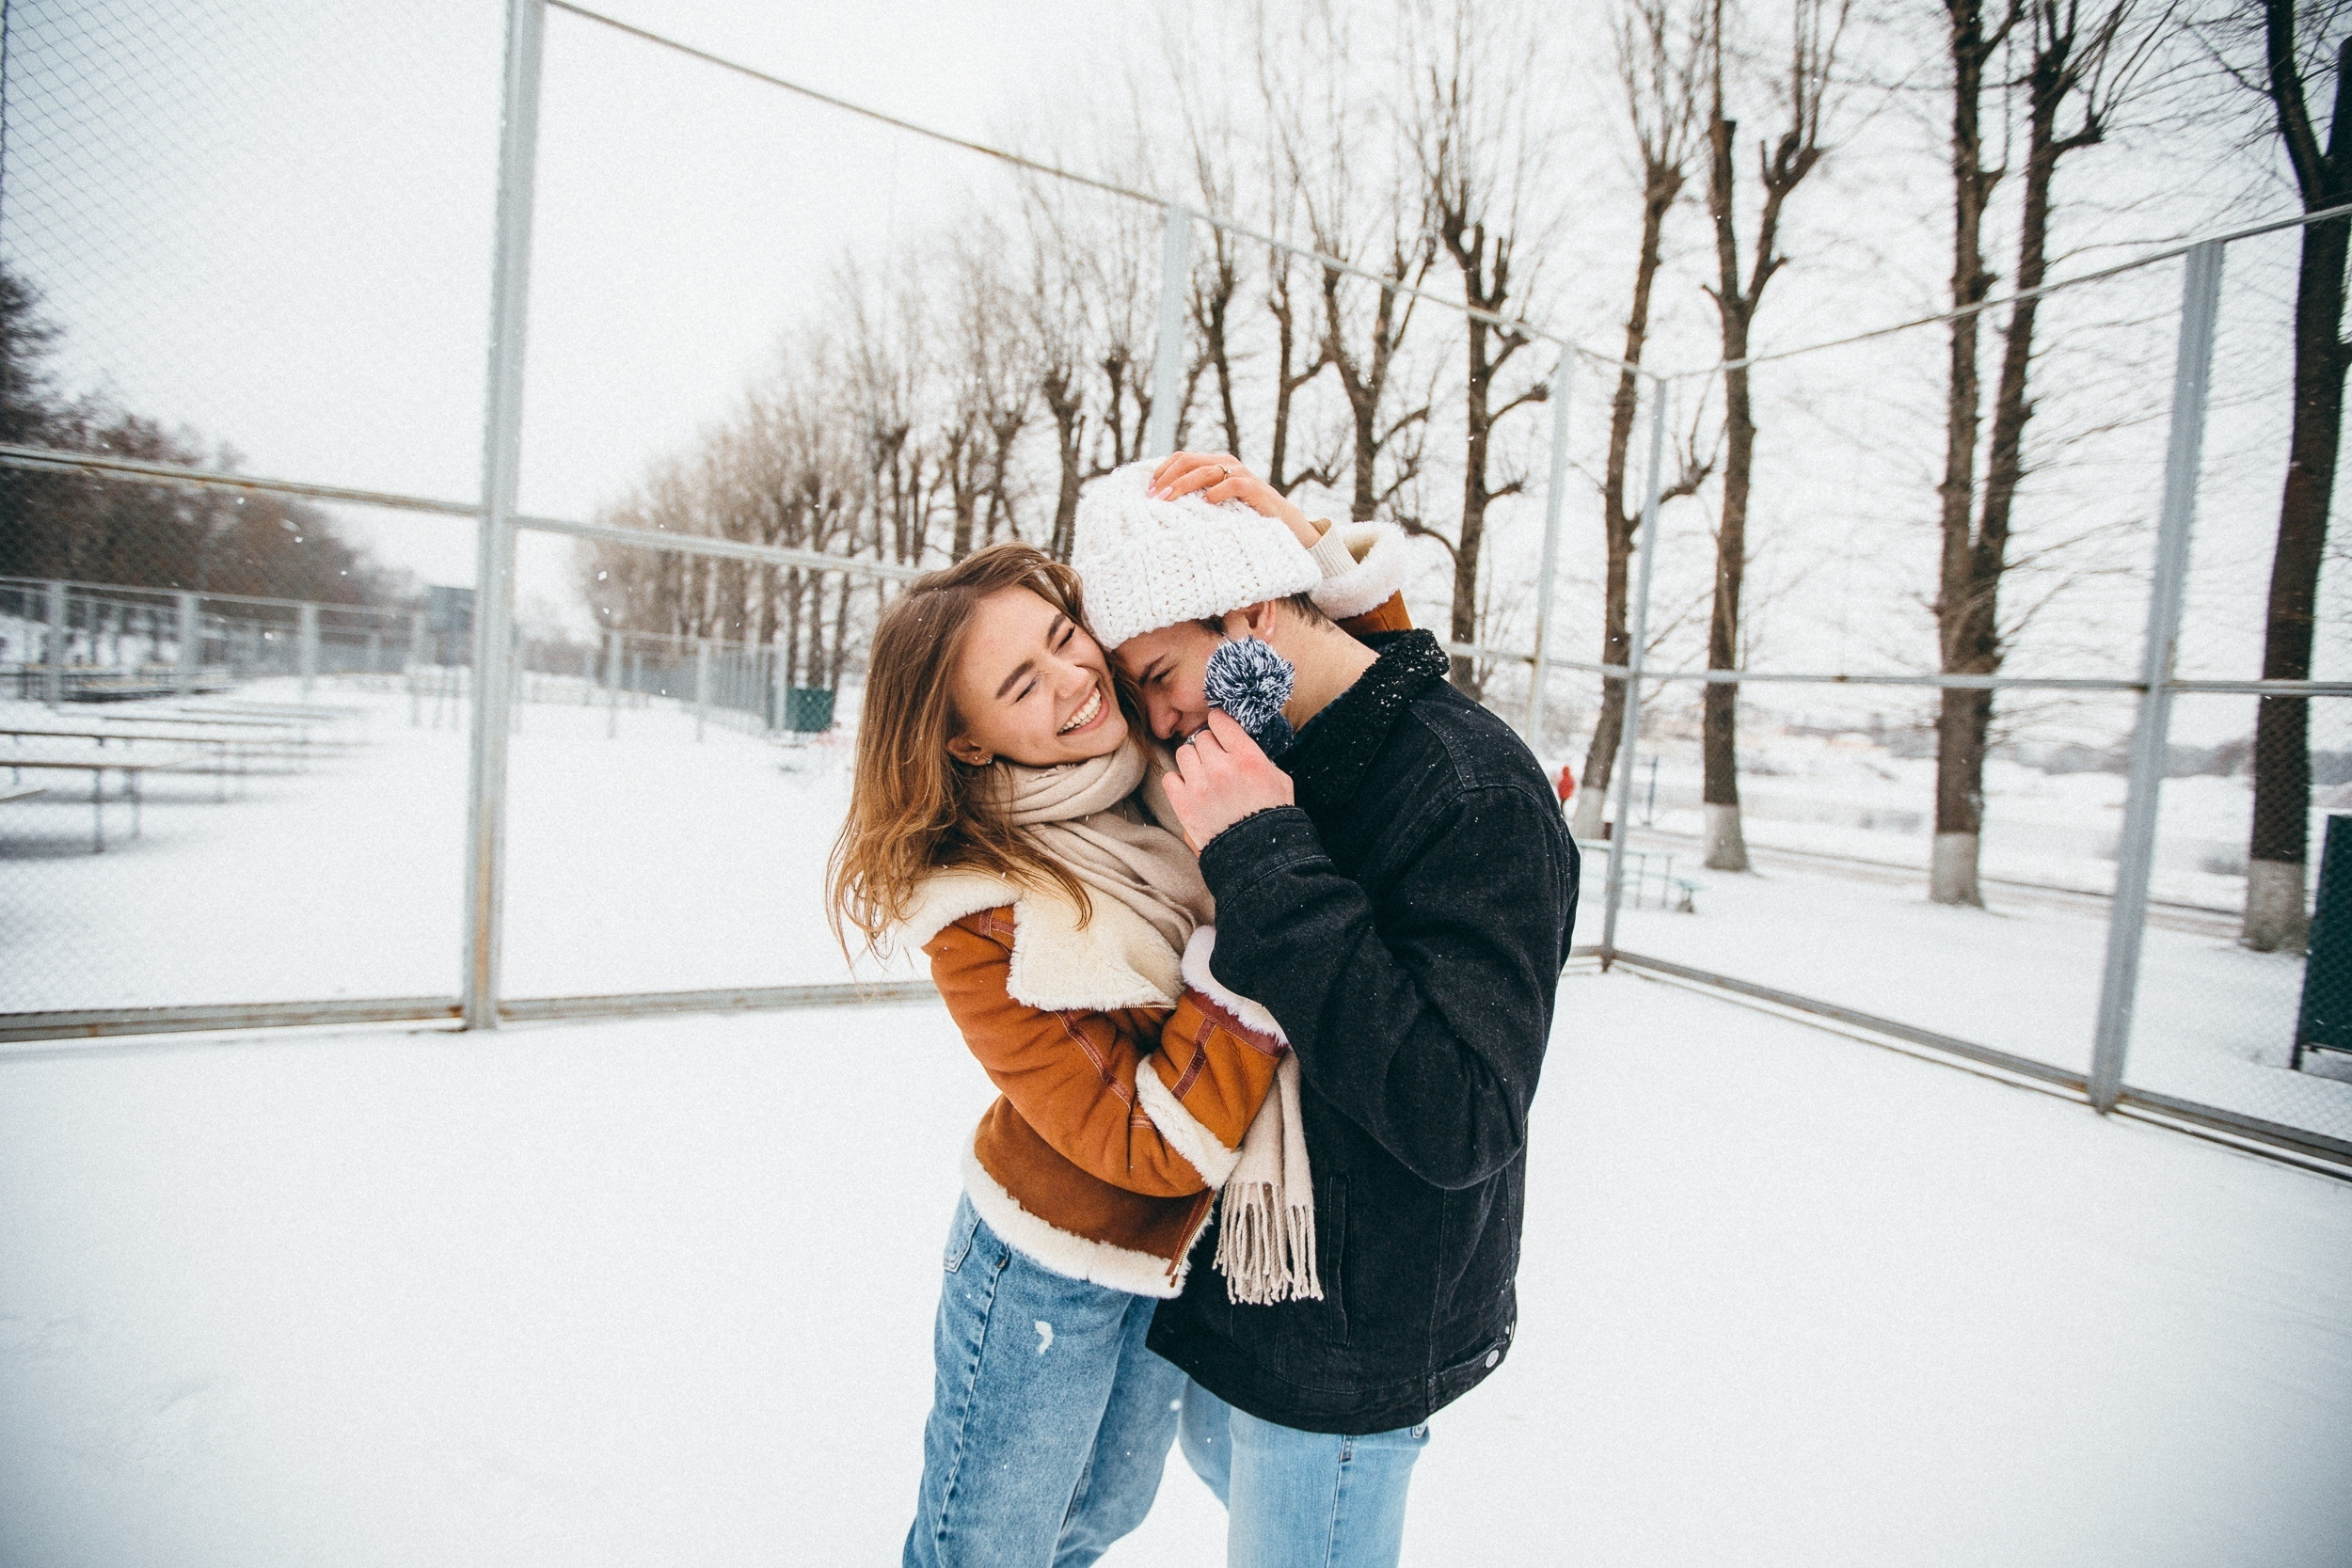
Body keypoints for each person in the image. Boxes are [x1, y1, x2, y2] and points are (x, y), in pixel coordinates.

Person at [827, 518, 1407, 1567]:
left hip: (1175, 1257)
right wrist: (1257, 922)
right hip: (1045, 1272)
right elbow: (1147, 1144)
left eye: (1061, 635)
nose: (1071, 678)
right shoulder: (981, 910)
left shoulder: (1164, 756)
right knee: (992, 1549)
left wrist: (1310, 548)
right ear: (967, 742)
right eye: (1019, 684)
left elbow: (1340, 700)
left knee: (1094, 1519)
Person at [1071, 451, 1580, 1568]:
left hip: (1356, 1334)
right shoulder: (1289, 743)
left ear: (1251, 607)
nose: (1158, 719)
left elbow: (1463, 1115)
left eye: (1160, 671)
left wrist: (1263, 854)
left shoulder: (1472, 793)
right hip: (1257, 1283)